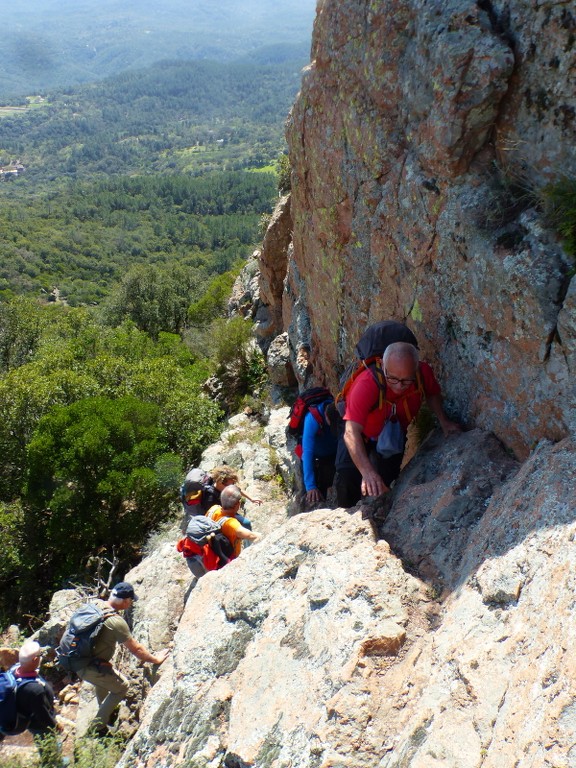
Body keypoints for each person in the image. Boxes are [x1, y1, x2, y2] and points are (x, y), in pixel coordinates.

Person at [335, 341, 460, 507]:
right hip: (361, 435)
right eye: (392, 378)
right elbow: (351, 432)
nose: (399, 386)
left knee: (387, 479)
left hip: (392, 436)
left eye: (406, 380)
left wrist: (443, 421)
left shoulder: (422, 374)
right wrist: (367, 472)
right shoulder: (367, 384)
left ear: (415, 370)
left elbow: (432, 393)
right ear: (384, 367)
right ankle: (347, 514)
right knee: (347, 477)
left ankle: (379, 513)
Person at [74, 582, 169, 737]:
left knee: (104, 676)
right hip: (88, 666)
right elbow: (137, 650)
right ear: (126, 601)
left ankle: (106, 709)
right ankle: (97, 729)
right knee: (122, 687)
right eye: (131, 601)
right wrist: (156, 659)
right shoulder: (115, 622)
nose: (130, 604)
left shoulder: (95, 604)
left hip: (76, 659)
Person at [0, 640, 62, 765]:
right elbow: (43, 715)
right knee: (46, 740)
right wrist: (55, 726)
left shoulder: (14, 669)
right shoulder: (35, 690)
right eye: (39, 656)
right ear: (34, 660)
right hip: (34, 721)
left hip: (15, 710)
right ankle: (52, 763)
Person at [300, 399, 338, 506]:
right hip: (317, 457)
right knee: (317, 493)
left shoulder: (339, 409)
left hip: (333, 453)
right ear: (326, 416)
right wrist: (310, 486)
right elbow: (307, 453)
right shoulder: (311, 419)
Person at [206, 485, 261, 558]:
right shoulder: (232, 524)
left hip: (214, 552)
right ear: (237, 504)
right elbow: (254, 537)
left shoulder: (213, 509)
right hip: (230, 557)